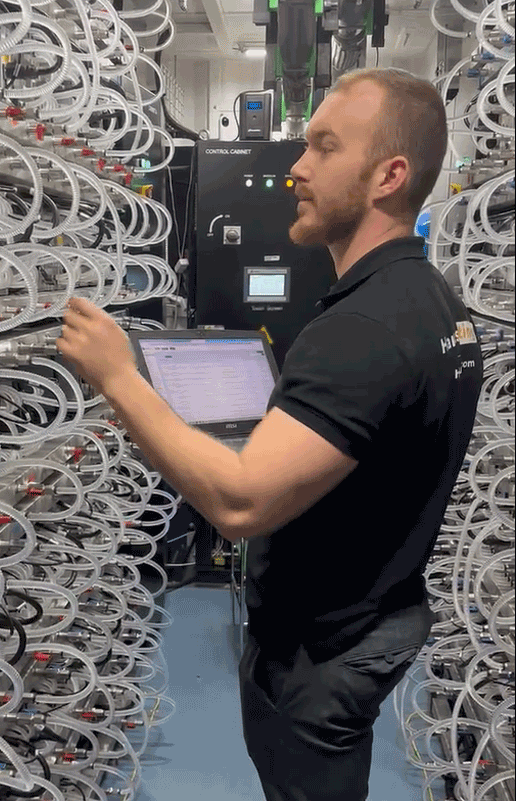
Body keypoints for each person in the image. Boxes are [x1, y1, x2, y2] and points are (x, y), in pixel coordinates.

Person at [57, 67, 483, 801]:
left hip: (323, 648)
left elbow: (242, 505)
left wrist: (118, 375)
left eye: (323, 147)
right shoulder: (432, 299)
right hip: (378, 613)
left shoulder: (361, 327)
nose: (296, 168)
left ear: (389, 175)